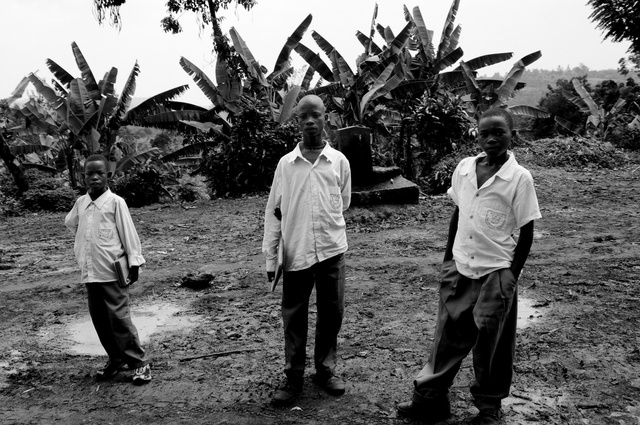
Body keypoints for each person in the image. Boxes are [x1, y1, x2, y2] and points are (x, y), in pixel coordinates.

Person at [397, 108, 541, 425]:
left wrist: (510, 278)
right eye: (484, 133)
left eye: (498, 132)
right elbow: (458, 214)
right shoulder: (464, 169)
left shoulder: (518, 178)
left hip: (496, 273)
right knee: (446, 338)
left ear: (511, 135)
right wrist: (448, 259)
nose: (491, 138)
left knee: (493, 346)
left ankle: (489, 408)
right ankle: (430, 401)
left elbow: (527, 233)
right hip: (460, 267)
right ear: (476, 135)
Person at [262, 94, 352, 407]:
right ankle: (293, 377)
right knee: (294, 318)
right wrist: (272, 257)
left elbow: (343, 202)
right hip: (296, 252)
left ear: (326, 117)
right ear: (296, 121)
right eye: (304, 116)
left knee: (332, 313)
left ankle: (326, 370)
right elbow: (274, 211)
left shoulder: (338, 162)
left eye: (316, 115)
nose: (310, 121)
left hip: (331, 251)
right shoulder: (286, 166)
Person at [65, 154, 151, 385]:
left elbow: (128, 233)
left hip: (112, 272)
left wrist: (134, 262)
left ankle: (139, 363)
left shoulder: (115, 203)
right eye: (89, 174)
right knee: (100, 320)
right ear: (83, 177)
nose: (94, 178)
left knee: (120, 319)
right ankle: (115, 358)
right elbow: (70, 222)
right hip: (90, 272)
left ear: (108, 176)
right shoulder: (81, 203)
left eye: (99, 173)